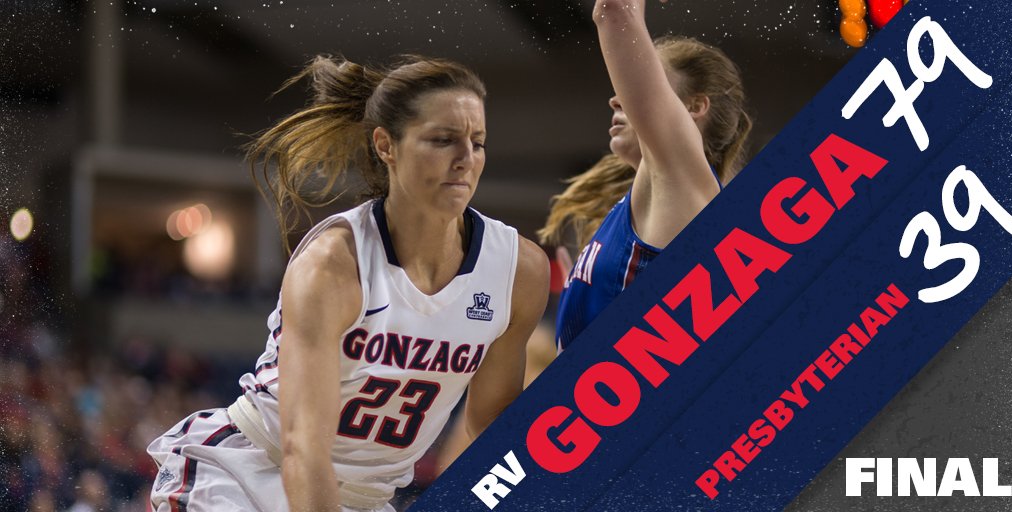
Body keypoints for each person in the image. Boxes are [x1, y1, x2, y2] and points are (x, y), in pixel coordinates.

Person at [147, 55, 549, 512]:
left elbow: (492, 429)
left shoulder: (518, 271)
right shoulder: (335, 264)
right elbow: (304, 447)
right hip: (250, 470)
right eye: (443, 140)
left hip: (365, 499)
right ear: (386, 145)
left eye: (478, 143)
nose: (465, 160)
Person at [539, 0, 753, 352]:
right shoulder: (648, 198)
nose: (617, 98)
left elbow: (614, 10)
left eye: (646, 83)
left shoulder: (684, 179)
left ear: (694, 107)